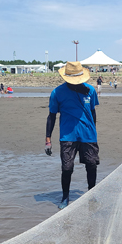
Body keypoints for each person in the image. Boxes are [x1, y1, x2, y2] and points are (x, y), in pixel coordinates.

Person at [45, 61, 100, 209]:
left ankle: (91, 193)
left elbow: (93, 112)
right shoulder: (57, 92)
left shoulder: (90, 90)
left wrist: (93, 130)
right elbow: (51, 116)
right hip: (68, 136)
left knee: (91, 165)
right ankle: (65, 197)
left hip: (88, 135)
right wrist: (48, 139)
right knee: (67, 168)